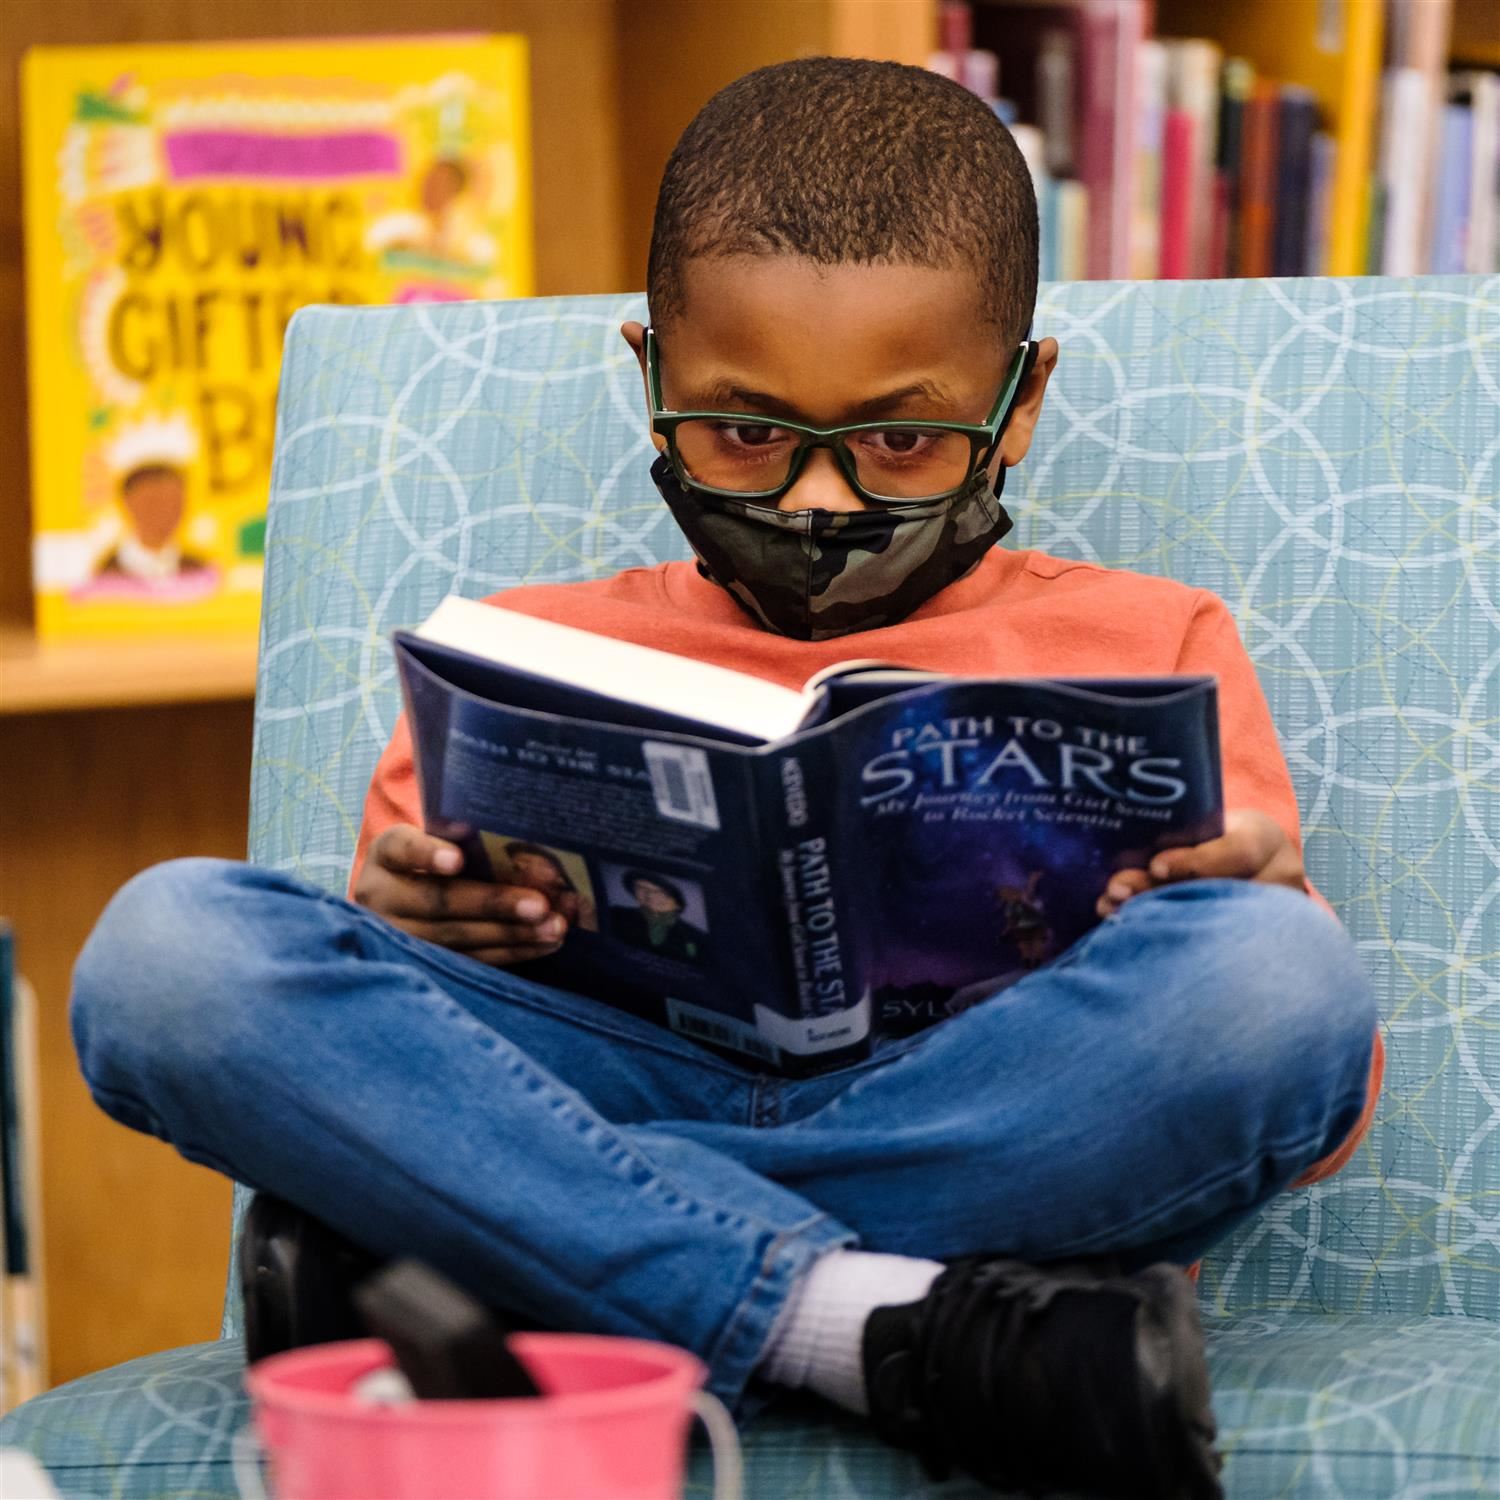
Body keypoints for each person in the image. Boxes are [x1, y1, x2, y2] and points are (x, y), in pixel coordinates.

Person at [70, 59, 1382, 1498]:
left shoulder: (1155, 638)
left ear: (1017, 404)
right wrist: (408, 925)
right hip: (608, 1078)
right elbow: (409, 1050)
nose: (820, 497)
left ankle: (511, 1263)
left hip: (972, 1099)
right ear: (652, 380)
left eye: (900, 439)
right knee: (169, 955)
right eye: (747, 431)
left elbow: (1314, 1083)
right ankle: (877, 1327)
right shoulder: (519, 651)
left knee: (1280, 985)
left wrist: (1242, 898)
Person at [609, 870, 707, 963]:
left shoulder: (700, 939)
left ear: (677, 904)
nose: (651, 896)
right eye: (642, 888)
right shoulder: (616, 914)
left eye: (661, 892)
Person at [501, 841, 597, 932]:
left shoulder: (577, 902)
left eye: (547, 866)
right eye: (516, 868)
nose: (521, 869)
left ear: (557, 873)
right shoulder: (514, 896)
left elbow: (590, 934)